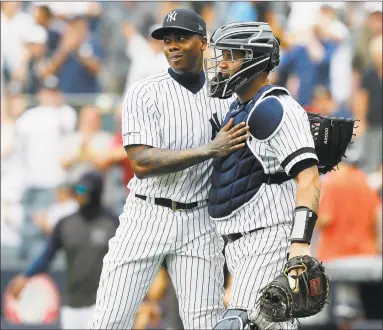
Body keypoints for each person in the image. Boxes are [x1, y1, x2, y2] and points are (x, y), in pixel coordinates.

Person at [90, 8, 249, 329]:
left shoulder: (226, 94)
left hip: (200, 221)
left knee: (204, 323)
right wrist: (209, 149)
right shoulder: (143, 91)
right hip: (147, 215)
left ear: (203, 42)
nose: (172, 45)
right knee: (110, 320)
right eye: (167, 39)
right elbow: (141, 162)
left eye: (182, 38)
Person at [204, 22, 321, 329]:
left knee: (237, 325)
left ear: (255, 59)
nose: (223, 63)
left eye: (232, 55)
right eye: (222, 54)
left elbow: (308, 178)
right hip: (236, 244)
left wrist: (300, 245)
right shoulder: (235, 108)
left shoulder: (275, 107)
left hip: (267, 237)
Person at [9, 171, 119, 329]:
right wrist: (26, 276)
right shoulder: (66, 224)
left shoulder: (113, 223)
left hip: (103, 305)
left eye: (82, 190)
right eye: (77, 190)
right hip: (72, 307)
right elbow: (47, 257)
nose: (78, 194)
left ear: (95, 192)